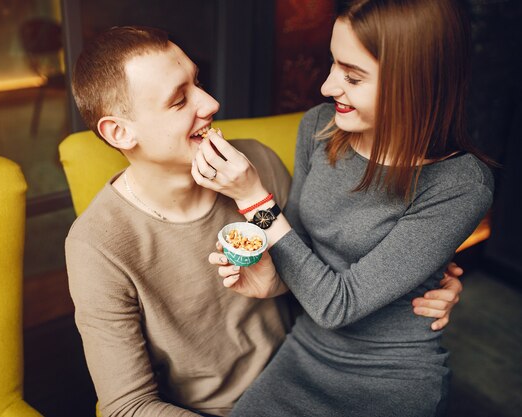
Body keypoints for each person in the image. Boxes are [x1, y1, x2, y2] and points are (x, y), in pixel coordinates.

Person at [66, 26, 465, 417]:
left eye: (198, 82)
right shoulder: (96, 244)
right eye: (178, 100)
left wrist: (418, 277)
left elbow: (314, 271)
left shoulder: (256, 162)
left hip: (308, 362)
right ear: (119, 132)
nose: (209, 103)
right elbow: (127, 405)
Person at [200, 1, 493, 416]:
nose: (327, 86)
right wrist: (266, 277)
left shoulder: (460, 185)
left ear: (415, 83)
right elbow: (295, 247)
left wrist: (253, 198)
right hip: (304, 350)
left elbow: (337, 306)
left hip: (389, 374)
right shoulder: (319, 128)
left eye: (352, 76)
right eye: (333, 64)